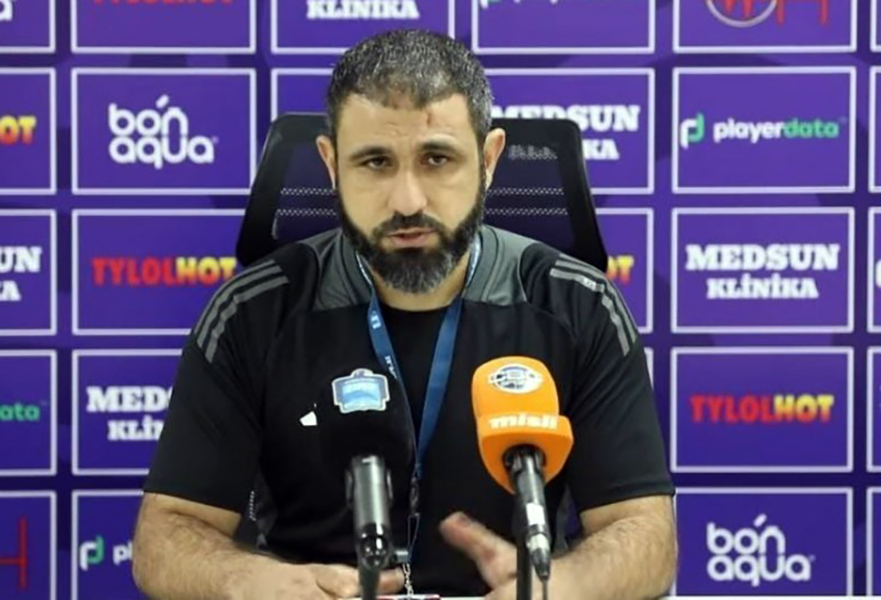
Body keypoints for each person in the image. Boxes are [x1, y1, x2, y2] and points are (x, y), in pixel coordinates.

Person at [131, 28, 677, 600]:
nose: (408, 201)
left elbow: (645, 534)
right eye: (375, 162)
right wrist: (256, 583)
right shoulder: (252, 313)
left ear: (489, 159)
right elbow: (165, 536)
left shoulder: (578, 304)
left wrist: (562, 587)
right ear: (331, 165)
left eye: (437, 159)